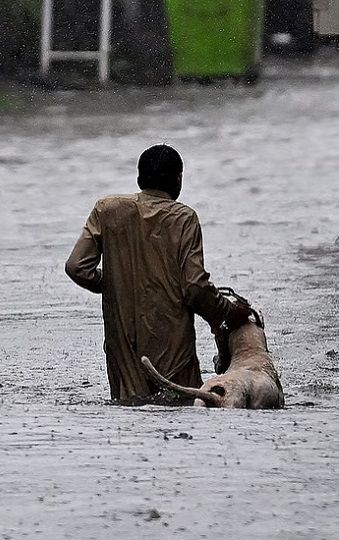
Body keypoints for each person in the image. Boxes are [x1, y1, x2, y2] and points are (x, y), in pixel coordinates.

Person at [65, 144, 250, 404]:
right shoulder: (184, 218)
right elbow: (195, 288)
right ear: (178, 180)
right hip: (174, 354)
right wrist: (230, 313)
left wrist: (119, 282)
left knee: (130, 414)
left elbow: (76, 267)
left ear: (140, 178)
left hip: (124, 353)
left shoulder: (107, 210)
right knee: (181, 410)